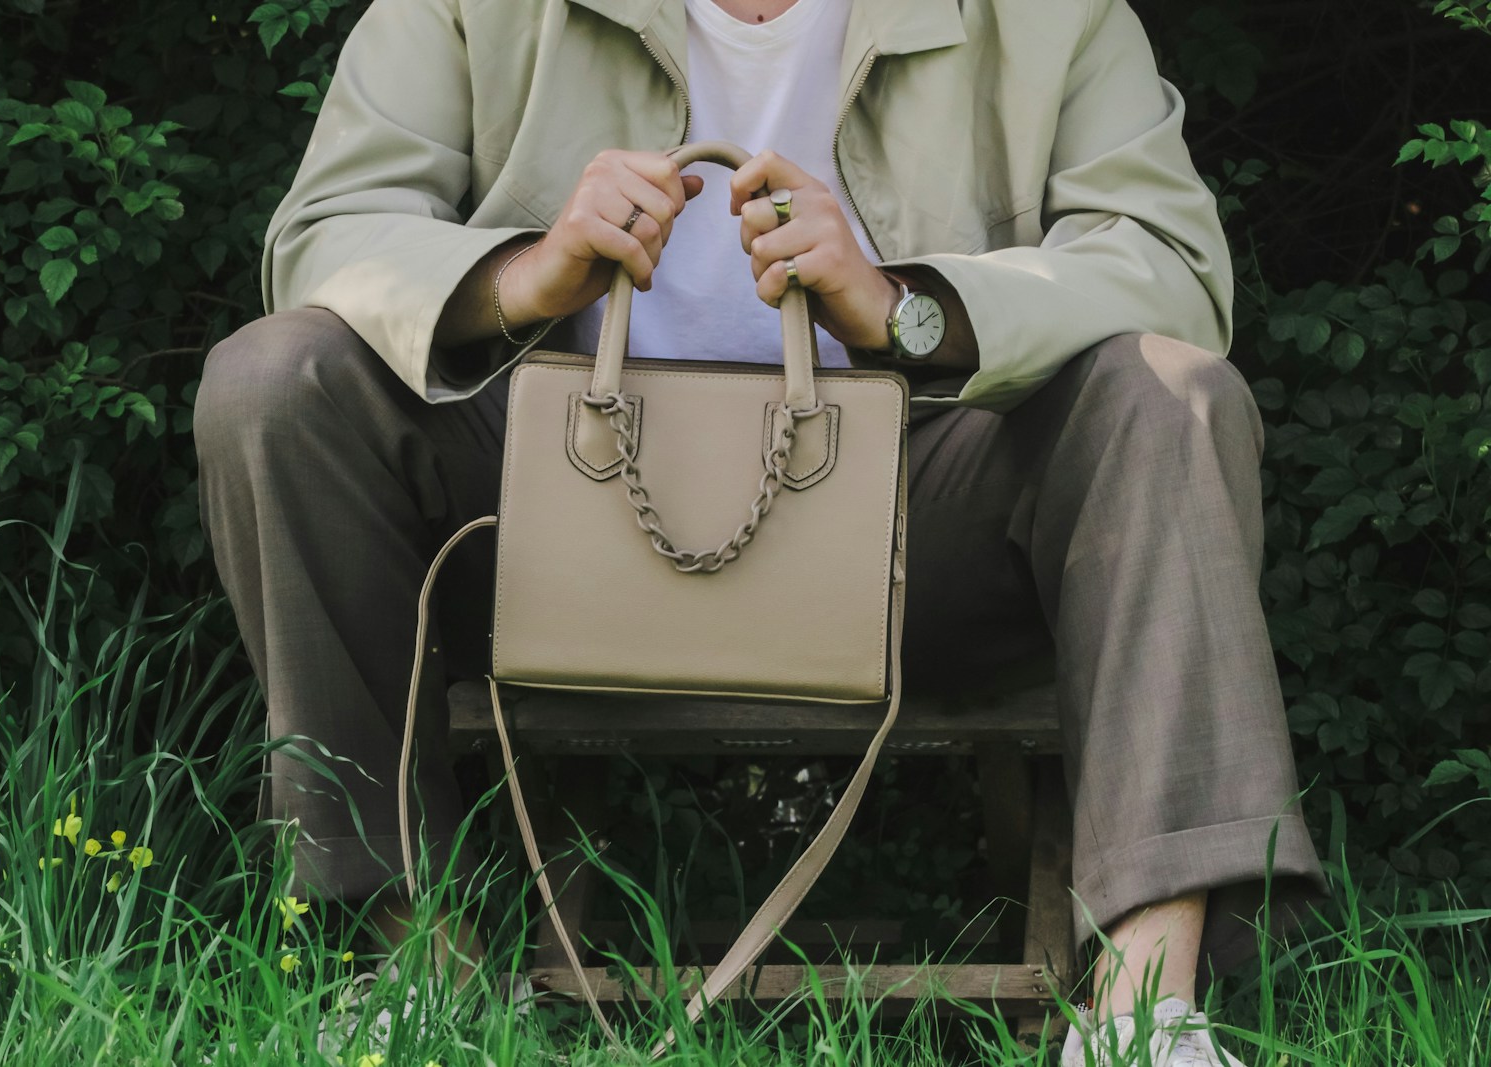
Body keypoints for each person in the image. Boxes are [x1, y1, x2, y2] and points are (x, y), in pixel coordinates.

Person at [192, 0, 1326, 1061]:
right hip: (548, 510)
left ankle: (1146, 1013)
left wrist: (906, 306)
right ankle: (416, 971)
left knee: (1168, 394)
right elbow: (324, 242)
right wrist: (527, 275)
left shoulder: (1048, 16)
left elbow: (1174, 271)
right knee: (275, 380)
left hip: (910, 527)